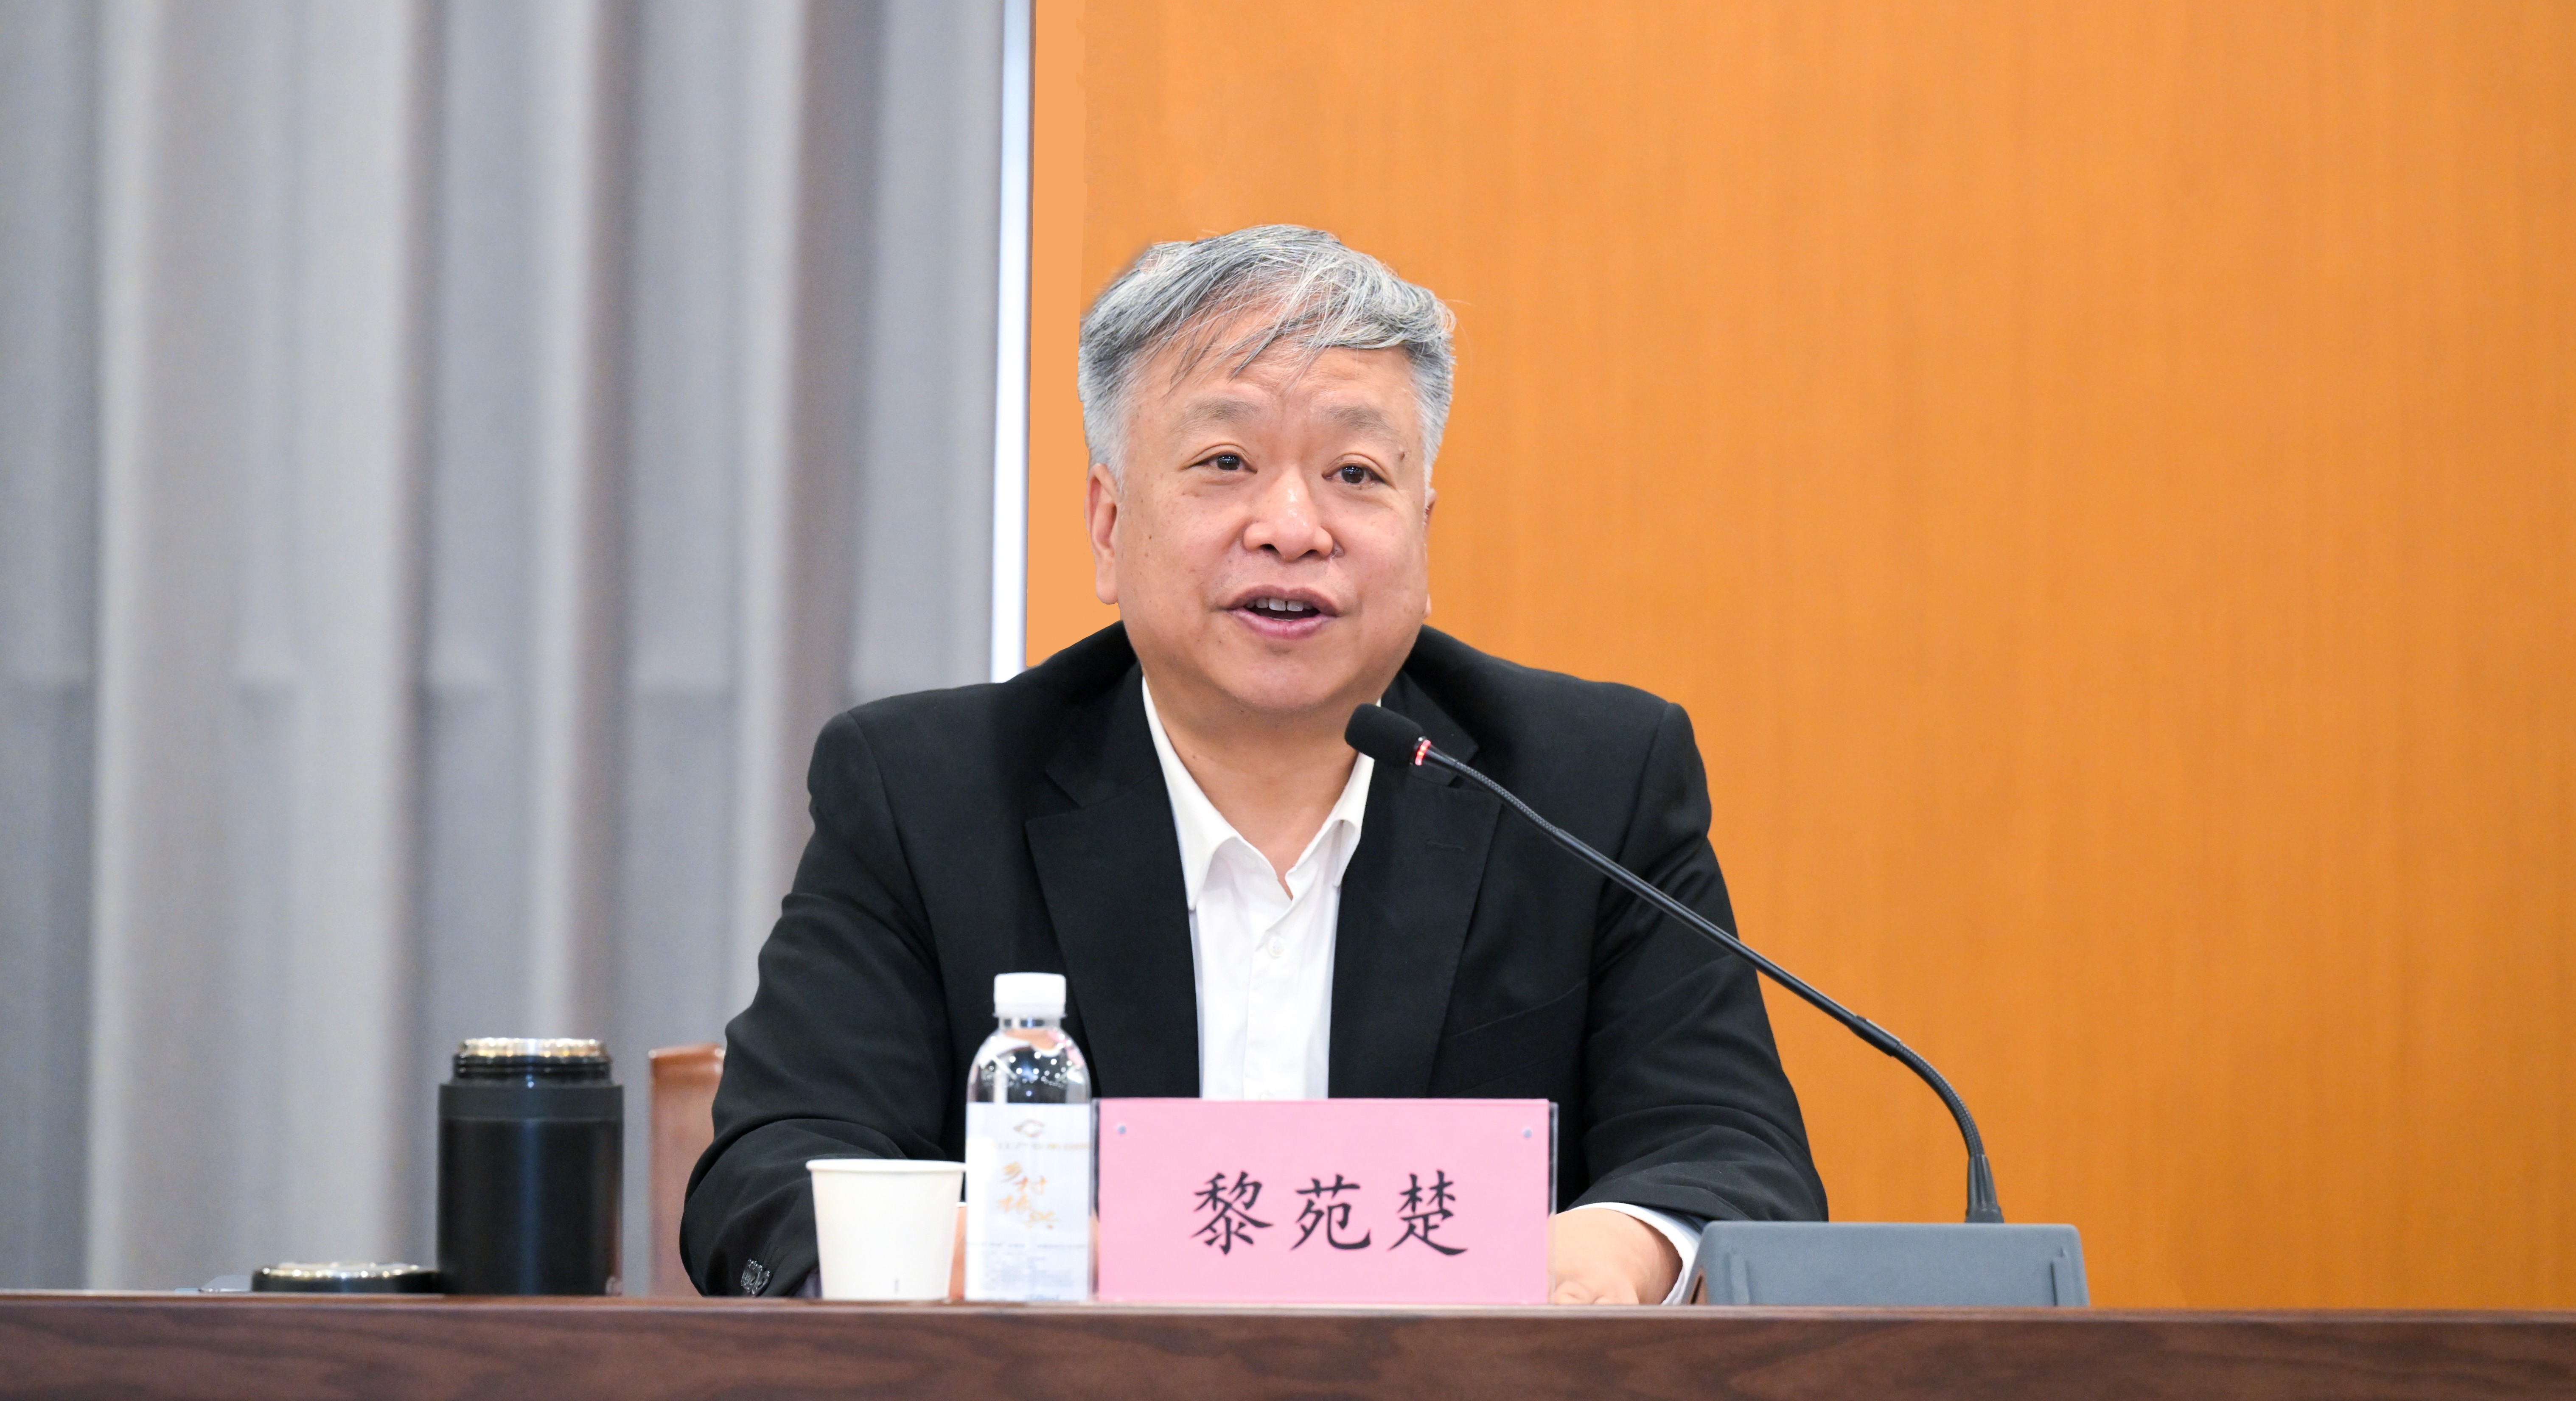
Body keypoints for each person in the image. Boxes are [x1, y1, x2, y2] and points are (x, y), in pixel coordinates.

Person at [684, 224, 1824, 1303]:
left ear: (1423, 532)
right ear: (1108, 525)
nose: (1292, 526)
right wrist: (1089, 1258)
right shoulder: (928, 793)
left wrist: (1597, 1257)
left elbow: (1735, 1160)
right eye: (1225, 461)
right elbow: (773, 1182)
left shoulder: (1588, 785)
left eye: (1356, 474)